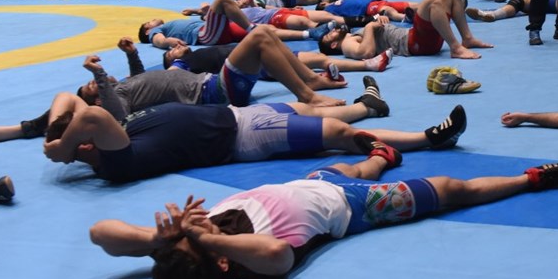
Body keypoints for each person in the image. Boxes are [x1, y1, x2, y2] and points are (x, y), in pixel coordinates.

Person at [87, 154, 558, 279]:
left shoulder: (178, 247)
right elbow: (278, 257)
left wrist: (156, 240)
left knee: (355, 166)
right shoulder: (247, 263)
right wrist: (210, 237)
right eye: (188, 240)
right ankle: (533, 179)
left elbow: (99, 233)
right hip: (355, 207)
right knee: (453, 188)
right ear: (220, 262)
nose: (187, 231)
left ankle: (380, 155)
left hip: (313, 182)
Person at [42, 91, 469, 184]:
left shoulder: (108, 139)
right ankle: (430, 138)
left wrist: (55, 139)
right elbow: (91, 114)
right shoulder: (117, 162)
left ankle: (367, 104)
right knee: (340, 134)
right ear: (86, 144)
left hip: (236, 116)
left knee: (313, 112)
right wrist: (61, 148)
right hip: (244, 137)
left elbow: (69, 101)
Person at [76, 30, 350, 119]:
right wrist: (98, 74)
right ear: (99, 100)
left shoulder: (125, 88)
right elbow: (117, 113)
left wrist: (131, 53)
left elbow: (137, 78)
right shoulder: (118, 102)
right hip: (214, 93)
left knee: (265, 31)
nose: (93, 81)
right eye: (91, 86)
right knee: (258, 37)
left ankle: (310, 80)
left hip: (213, 86)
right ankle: (307, 95)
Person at [318, 0, 493, 60]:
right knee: (432, 0)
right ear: (333, 44)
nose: (331, 31)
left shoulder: (352, 35)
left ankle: (467, 38)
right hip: (414, 43)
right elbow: (365, 52)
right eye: (329, 36)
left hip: (418, 37)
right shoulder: (346, 44)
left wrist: (376, 22)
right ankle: (455, 48)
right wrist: (371, 27)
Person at [162, 41, 392, 76]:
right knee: (318, 62)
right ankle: (368, 65)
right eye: (172, 50)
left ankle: (324, 76)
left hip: (258, 55)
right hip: (257, 63)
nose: (176, 46)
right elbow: (168, 79)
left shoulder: (196, 54)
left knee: (319, 58)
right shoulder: (182, 65)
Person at [139, 0, 261, 49]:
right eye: (149, 23)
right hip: (205, 34)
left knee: (264, 31)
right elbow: (158, 40)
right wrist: (167, 42)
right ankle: (251, 28)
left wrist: (195, 11)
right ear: (147, 31)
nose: (152, 20)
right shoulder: (156, 31)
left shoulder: (167, 26)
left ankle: (256, 28)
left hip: (217, 31)